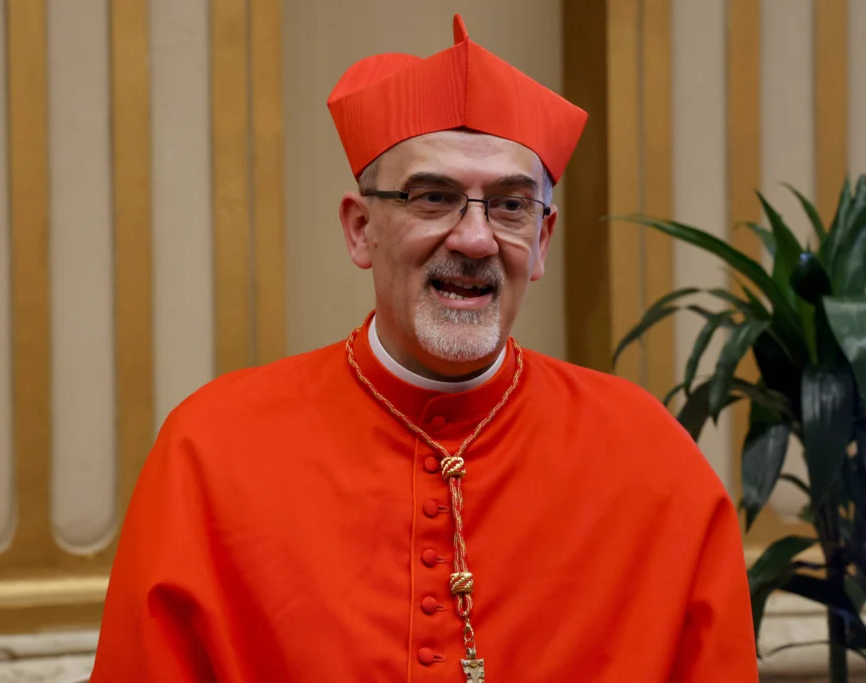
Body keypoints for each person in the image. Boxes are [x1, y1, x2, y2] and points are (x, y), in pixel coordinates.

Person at [89, 14, 759, 682]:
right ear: (360, 229)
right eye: (433, 197)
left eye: (509, 205)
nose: (474, 239)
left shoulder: (653, 460)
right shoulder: (207, 453)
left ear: (543, 241)